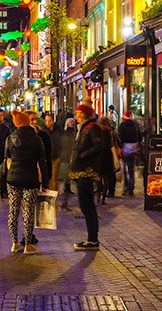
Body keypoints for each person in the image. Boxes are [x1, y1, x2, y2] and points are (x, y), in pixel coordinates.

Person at [4, 110, 51, 255]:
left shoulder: (10, 138)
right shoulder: (37, 139)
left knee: (13, 211)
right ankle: (28, 245)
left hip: (13, 179)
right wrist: (45, 181)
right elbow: (42, 161)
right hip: (31, 179)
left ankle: (14, 243)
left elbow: (6, 158)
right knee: (28, 212)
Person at [69, 99, 105, 251]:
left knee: (87, 205)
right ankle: (91, 238)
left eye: (78, 113)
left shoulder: (92, 127)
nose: (76, 115)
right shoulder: (84, 128)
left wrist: (83, 156)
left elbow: (99, 146)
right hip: (81, 171)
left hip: (87, 171)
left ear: (83, 114)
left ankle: (92, 239)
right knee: (85, 205)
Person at [118, 110, 141, 197]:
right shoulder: (135, 125)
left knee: (125, 169)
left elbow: (120, 137)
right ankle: (131, 188)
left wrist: (120, 147)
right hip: (133, 149)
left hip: (125, 148)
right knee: (131, 169)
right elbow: (140, 137)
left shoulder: (122, 125)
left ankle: (126, 187)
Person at [97, 116, 118, 203]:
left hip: (99, 157)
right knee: (106, 178)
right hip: (108, 157)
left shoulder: (98, 132)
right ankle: (103, 198)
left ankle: (99, 196)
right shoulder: (110, 132)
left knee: (99, 178)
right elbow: (113, 144)